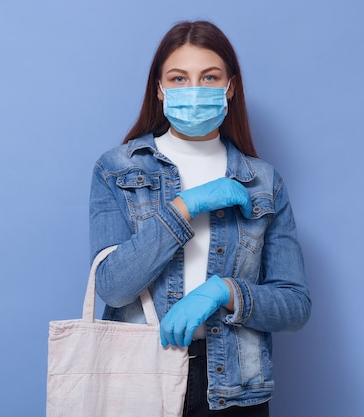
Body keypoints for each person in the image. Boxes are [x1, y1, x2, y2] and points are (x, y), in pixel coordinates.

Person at [89, 20, 311, 417]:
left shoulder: (265, 182)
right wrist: (186, 206)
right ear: (159, 89)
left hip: (235, 387)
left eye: (209, 77)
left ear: (230, 87)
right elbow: (112, 288)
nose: (194, 90)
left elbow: (294, 306)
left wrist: (224, 292)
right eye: (179, 78)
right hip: (138, 379)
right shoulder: (117, 169)